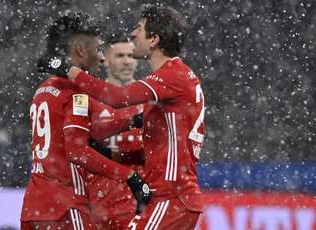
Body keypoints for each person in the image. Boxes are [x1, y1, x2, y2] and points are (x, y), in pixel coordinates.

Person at [42, 4, 205, 229]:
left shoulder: (172, 76)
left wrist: (72, 71)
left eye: (139, 28)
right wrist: (110, 152)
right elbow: (158, 146)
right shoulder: (169, 82)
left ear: (154, 40)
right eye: (119, 55)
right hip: (161, 198)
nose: (133, 33)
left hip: (171, 196)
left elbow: (118, 98)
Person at [20, 11, 151, 229]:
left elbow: (86, 132)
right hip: (65, 206)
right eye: (98, 49)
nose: (102, 58)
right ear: (81, 50)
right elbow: (78, 151)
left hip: (34, 208)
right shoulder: (76, 93)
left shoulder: (44, 89)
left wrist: (131, 121)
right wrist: (128, 175)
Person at [86, 33, 146, 229]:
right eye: (120, 56)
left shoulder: (148, 102)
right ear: (105, 60)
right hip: (96, 204)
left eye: (131, 56)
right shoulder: (89, 100)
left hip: (137, 204)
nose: (127, 61)